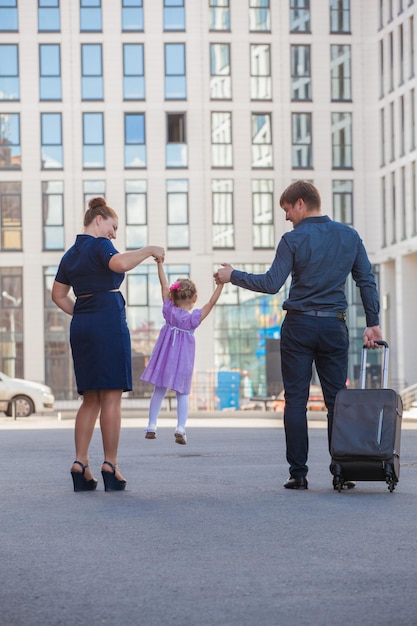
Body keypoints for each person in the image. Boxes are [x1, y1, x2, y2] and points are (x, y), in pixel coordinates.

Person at [214, 180, 383, 490]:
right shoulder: (349, 236)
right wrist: (373, 322)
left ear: (301, 203)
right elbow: (366, 281)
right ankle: (341, 471)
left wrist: (232, 275)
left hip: (300, 326)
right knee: (337, 402)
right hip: (334, 326)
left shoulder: (292, 240)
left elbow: (271, 283)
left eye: (287, 209)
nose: (287, 216)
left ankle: (299, 474)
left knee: (296, 401)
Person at [52, 197, 164, 492]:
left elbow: (58, 295)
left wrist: (83, 312)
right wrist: (149, 249)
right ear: (98, 220)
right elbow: (119, 262)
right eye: (113, 227)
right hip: (108, 322)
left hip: (83, 325)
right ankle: (110, 464)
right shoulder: (100, 245)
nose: (114, 234)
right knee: (112, 397)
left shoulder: (70, 254)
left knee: (90, 398)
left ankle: (80, 463)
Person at [141, 260, 223, 444]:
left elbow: (163, 284)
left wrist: (160, 264)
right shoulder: (193, 318)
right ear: (194, 299)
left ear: (173, 296)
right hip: (183, 360)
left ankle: (152, 425)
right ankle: (180, 427)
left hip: (164, 358)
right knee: (182, 394)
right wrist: (220, 285)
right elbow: (211, 302)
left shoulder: (168, 310)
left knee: (159, 391)